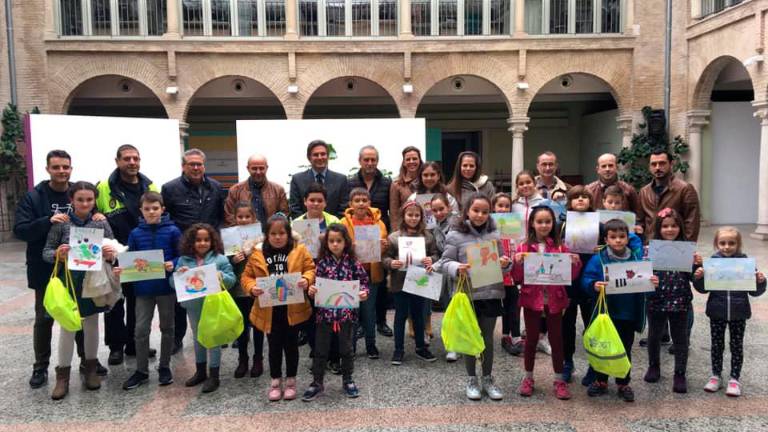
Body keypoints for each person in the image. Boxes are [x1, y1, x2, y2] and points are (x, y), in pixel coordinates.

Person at [13, 150, 92, 388]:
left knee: (79, 314)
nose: (61, 171)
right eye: (56, 167)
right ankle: (41, 367)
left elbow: (90, 218)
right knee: (44, 317)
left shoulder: (78, 193)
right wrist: (47, 220)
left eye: (65, 167)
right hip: (45, 269)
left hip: (78, 269)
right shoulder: (34, 197)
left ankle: (86, 363)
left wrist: (97, 215)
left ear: (71, 168)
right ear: (48, 169)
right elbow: (20, 230)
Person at [42, 181, 118, 400]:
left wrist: (109, 253)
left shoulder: (101, 223)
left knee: (92, 325)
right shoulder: (62, 224)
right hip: (69, 280)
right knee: (68, 327)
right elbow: (45, 252)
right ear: (71, 201)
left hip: (93, 280)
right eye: (80, 199)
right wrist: (58, 253)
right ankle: (62, 376)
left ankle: (90, 368)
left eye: (89, 199)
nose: (85, 203)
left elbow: (114, 250)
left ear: (95, 200)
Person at [435, 193, 510, 401]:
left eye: (485, 212)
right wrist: (457, 267)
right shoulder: (455, 235)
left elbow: (503, 264)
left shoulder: (495, 234)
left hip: (491, 292)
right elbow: (444, 263)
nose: (480, 215)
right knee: (469, 337)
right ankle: (471, 379)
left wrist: (506, 263)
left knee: (486, 339)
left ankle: (487, 378)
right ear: (467, 211)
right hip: (467, 294)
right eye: (476, 210)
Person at [581, 219, 659, 402]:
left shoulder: (637, 258)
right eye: (613, 237)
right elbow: (587, 278)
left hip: (629, 313)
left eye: (622, 236)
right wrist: (593, 285)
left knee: (625, 349)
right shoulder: (598, 258)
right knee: (605, 347)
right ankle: (601, 380)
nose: (618, 240)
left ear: (628, 237)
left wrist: (652, 282)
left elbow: (644, 283)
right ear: (606, 239)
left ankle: (623, 382)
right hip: (606, 313)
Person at [96, 144, 159, 366]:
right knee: (113, 302)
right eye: (127, 159)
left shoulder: (149, 185)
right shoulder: (104, 187)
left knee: (137, 302)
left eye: (136, 158)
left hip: (139, 255)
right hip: (113, 254)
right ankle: (115, 347)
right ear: (117, 161)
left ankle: (134, 343)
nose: (132, 162)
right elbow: (94, 217)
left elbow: (157, 214)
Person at [241, 214, 315, 401]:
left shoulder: (299, 249)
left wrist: (306, 280)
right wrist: (252, 288)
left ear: (288, 234)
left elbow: (310, 268)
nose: (278, 237)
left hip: (292, 308)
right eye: (273, 233)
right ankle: (275, 381)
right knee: (273, 347)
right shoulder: (258, 253)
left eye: (282, 233)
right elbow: (246, 277)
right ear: (267, 235)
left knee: (291, 346)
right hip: (268, 310)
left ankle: (291, 381)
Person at [512, 206, 581, 400]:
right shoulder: (524, 247)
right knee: (531, 340)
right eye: (539, 221)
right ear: (532, 224)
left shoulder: (560, 247)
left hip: (555, 300)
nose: (544, 225)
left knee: (557, 340)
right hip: (531, 300)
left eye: (548, 222)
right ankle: (528, 377)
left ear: (553, 224)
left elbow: (571, 276)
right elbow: (517, 277)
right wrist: (517, 263)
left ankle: (559, 379)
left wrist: (575, 263)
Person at [162, 148, 225, 355]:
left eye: (199, 164)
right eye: (192, 164)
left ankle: (218, 331)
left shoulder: (215, 187)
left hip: (210, 248)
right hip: (185, 250)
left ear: (204, 166)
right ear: (184, 166)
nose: (196, 167)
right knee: (184, 293)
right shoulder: (170, 188)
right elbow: (166, 218)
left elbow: (220, 217)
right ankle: (178, 338)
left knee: (214, 292)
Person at [118, 192, 181, 390]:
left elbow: (182, 256)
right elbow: (131, 258)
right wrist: (123, 268)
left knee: (167, 327)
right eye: (147, 209)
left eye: (155, 208)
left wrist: (174, 263)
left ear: (162, 209)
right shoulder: (136, 233)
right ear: (141, 211)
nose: (151, 212)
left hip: (165, 288)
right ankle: (141, 370)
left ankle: (164, 366)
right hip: (143, 289)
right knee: (140, 329)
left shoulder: (173, 231)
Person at [693, 227, 767, 397]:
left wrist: (760, 281)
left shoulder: (745, 263)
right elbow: (704, 289)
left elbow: (755, 292)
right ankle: (715, 376)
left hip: (738, 312)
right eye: (722, 243)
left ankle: (734, 378)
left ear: (738, 244)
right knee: (717, 345)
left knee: (737, 346)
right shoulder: (712, 261)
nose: (726, 247)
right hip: (717, 311)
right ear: (716, 244)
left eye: (731, 243)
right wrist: (699, 277)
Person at [303, 224, 370, 401]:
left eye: (338, 241)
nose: (335, 244)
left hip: (347, 315)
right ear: (326, 243)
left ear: (345, 242)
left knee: (347, 349)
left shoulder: (353, 263)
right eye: (331, 241)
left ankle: (348, 380)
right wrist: (312, 290)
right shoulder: (322, 263)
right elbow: (316, 285)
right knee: (320, 349)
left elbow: (363, 281)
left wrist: (363, 293)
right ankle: (317, 382)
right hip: (325, 315)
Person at [171, 223, 236, 393]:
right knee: (198, 337)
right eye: (198, 240)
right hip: (193, 306)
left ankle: (214, 374)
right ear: (191, 242)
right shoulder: (183, 260)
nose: (202, 243)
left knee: (213, 338)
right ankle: (200, 371)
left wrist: (222, 276)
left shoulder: (220, 259)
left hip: (213, 306)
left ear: (212, 241)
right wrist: (178, 275)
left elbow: (231, 279)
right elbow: (173, 284)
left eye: (206, 240)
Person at [643, 208, 699, 394]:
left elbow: (694, 279)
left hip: (680, 300)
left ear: (680, 227)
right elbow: (641, 274)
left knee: (680, 338)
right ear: (659, 228)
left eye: (674, 226)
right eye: (665, 226)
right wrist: (647, 277)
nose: (669, 229)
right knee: (654, 335)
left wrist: (697, 266)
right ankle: (654, 366)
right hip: (656, 299)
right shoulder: (650, 249)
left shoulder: (687, 250)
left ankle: (680, 373)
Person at [383, 201, 440, 365]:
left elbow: (435, 254)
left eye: (417, 215)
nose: (413, 218)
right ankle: (398, 349)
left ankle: (421, 347)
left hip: (420, 282)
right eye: (410, 215)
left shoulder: (428, 237)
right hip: (399, 283)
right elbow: (385, 257)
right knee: (400, 316)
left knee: (419, 315)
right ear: (403, 216)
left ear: (421, 217)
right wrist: (390, 263)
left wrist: (432, 259)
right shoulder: (394, 237)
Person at [341, 188, 389, 359]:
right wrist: (349, 247)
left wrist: (384, 246)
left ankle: (371, 345)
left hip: (371, 274)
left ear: (370, 203)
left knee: (369, 312)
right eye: (357, 200)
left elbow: (385, 247)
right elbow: (337, 245)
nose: (361, 203)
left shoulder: (379, 223)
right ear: (350, 204)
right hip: (351, 275)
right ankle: (350, 346)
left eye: (364, 200)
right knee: (352, 313)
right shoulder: (343, 224)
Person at [558, 186, 597, 384]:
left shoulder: (599, 224)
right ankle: (567, 362)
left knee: (592, 323)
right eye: (576, 197)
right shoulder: (563, 224)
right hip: (568, 280)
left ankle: (594, 365)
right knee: (567, 323)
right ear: (569, 201)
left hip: (590, 280)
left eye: (584, 197)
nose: (580, 200)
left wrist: (601, 248)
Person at [227, 202, 265, 379]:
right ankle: (243, 359)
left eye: (247, 217)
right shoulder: (229, 238)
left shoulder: (261, 238)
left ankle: (258, 358)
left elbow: (268, 259)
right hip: (238, 287)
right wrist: (233, 260)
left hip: (257, 286)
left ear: (253, 218)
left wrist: (255, 254)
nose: (243, 220)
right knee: (241, 325)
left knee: (258, 324)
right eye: (240, 217)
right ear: (235, 218)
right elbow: (223, 265)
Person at [637, 150, 701, 242]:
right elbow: (640, 221)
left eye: (662, 163)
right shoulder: (644, 191)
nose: (657, 167)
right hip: (650, 246)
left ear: (671, 164)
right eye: (654, 164)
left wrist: (687, 248)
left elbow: (692, 222)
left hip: (676, 245)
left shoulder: (685, 189)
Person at [493, 193, 523, 357]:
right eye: (500, 206)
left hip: (511, 272)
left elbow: (518, 244)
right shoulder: (489, 224)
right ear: (494, 207)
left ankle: (515, 337)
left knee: (513, 305)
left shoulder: (513, 224)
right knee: (499, 306)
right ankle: (504, 336)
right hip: (495, 271)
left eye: (506, 206)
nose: (503, 209)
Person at [289, 140, 350, 219]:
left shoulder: (341, 180)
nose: (320, 157)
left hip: (334, 228)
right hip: (305, 228)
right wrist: (310, 228)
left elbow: (343, 209)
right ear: (309, 158)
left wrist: (331, 228)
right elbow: (295, 209)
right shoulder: (297, 180)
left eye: (323, 154)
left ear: (328, 156)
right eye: (316, 155)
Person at [224, 154, 289, 227]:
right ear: (248, 168)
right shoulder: (235, 191)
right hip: (245, 236)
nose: (258, 172)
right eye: (254, 168)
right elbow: (229, 217)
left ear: (266, 168)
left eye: (261, 168)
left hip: (270, 236)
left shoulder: (278, 190)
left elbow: (284, 215)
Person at [348, 145, 392, 229]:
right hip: (355, 231)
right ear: (359, 161)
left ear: (377, 161)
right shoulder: (350, 183)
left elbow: (392, 211)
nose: (370, 163)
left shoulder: (387, 184)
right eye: (366, 160)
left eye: (373, 160)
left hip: (381, 232)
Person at [389, 146, 423, 230]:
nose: (411, 161)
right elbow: (394, 213)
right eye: (408, 159)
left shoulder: (426, 180)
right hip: (404, 230)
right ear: (404, 162)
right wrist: (396, 233)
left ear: (420, 160)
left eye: (414, 158)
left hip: (425, 228)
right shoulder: (397, 184)